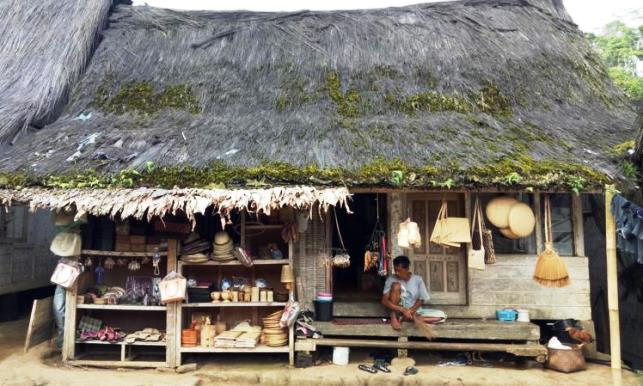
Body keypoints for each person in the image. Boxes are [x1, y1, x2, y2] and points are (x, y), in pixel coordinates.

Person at [381, 255, 442, 330]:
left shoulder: (418, 279)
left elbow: (421, 299)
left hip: (413, 311)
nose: (397, 273)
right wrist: (402, 309)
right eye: (395, 270)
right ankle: (395, 318)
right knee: (396, 285)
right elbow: (384, 301)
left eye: (399, 270)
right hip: (398, 310)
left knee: (440, 317)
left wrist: (410, 310)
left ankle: (408, 318)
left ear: (407, 269)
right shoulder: (391, 279)